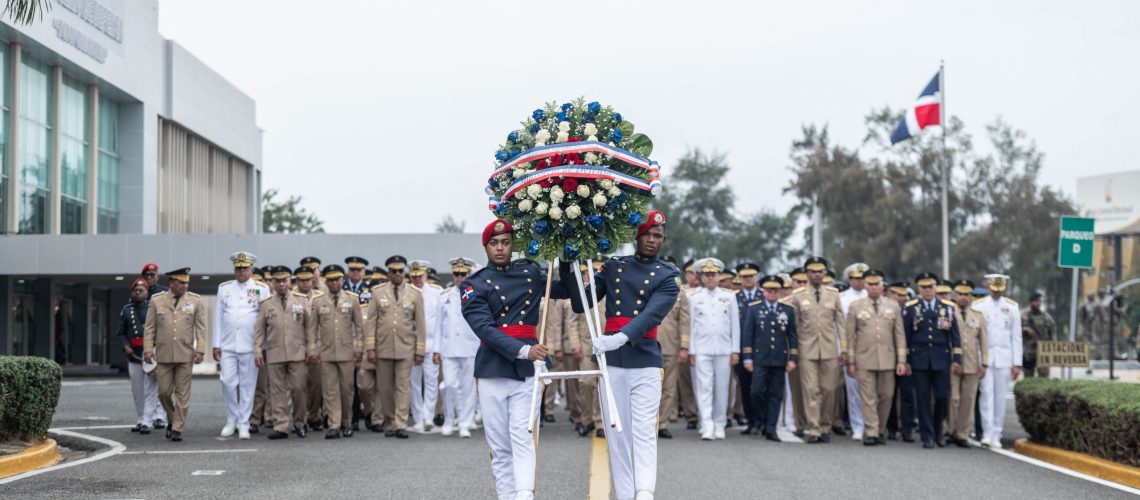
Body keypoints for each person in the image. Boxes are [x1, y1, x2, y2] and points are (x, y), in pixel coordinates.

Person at [561, 210, 678, 500]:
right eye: (648, 235)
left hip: (645, 360)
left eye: (658, 236)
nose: (652, 240)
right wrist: (566, 261)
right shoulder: (614, 267)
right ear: (637, 237)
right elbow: (581, 303)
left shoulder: (668, 276)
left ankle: (644, 492)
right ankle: (626, 494)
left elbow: (650, 316)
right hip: (612, 364)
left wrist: (618, 339)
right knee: (617, 434)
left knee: (642, 431)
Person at [461, 219, 568, 500]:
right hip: (494, 368)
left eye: (505, 242)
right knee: (499, 446)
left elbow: (565, 290)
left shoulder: (531, 272)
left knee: (522, 435)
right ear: (486, 247)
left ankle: (523, 495)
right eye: (494, 243)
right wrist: (523, 350)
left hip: (527, 370)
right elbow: (484, 328)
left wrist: (568, 251)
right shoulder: (475, 283)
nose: (500, 248)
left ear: (513, 245)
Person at [365, 255, 426, 439]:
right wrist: (370, 347)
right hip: (383, 348)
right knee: (385, 388)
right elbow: (371, 322)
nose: (398, 274)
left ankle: (401, 423)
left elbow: (421, 324)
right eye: (394, 271)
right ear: (388, 273)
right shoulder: (377, 292)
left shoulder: (415, 293)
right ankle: (390, 421)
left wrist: (420, 350)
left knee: (402, 387)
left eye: (401, 271)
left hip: (406, 347)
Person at [786, 257, 846, 444]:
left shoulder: (834, 294)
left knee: (829, 389)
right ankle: (814, 428)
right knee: (810, 390)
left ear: (825, 273)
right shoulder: (799, 296)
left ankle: (825, 425)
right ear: (807, 273)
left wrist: (844, 349)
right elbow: (793, 327)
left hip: (829, 349)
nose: (816, 274)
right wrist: (793, 352)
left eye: (820, 271)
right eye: (812, 271)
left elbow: (840, 325)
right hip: (807, 350)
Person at [143, 268, 206, 442]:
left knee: (182, 394)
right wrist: (148, 349)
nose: (185, 286)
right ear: (172, 283)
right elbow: (149, 328)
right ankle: (172, 419)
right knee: (163, 392)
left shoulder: (195, 301)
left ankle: (177, 427)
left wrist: (200, 350)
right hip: (163, 354)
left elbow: (201, 328)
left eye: (187, 282)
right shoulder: (157, 301)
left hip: (185, 354)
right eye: (182, 283)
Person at [254, 265, 317, 439]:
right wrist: (258, 350)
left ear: (290, 282)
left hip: (298, 352)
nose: (281, 284)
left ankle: (299, 422)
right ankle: (280, 425)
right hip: (275, 353)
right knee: (277, 391)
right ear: (272, 284)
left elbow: (310, 327)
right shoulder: (266, 304)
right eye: (277, 281)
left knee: (299, 389)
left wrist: (311, 349)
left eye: (284, 281)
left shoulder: (301, 300)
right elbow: (259, 330)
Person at [844, 270, 905, 446]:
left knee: (887, 395)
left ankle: (880, 429)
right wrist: (851, 361)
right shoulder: (856, 306)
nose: (873, 288)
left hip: (887, 358)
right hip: (864, 358)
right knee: (868, 396)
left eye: (876, 284)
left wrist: (901, 360)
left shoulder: (893, 306)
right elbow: (851, 336)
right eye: (870, 284)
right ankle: (871, 431)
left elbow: (899, 335)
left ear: (882, 285)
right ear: (865, 286)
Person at [213, 251, 270, 440]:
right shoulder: (225, 288)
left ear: (251, 269)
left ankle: (244, 423)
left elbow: (265, 320)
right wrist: (216, 344)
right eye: (238, 268)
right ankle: (232, 419)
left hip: (250, 345)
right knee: (227, 382)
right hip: (228, 344)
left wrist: (262, 346)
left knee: (248, 386)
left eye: (245, 268)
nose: (241, 272)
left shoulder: (261, 288)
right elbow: (218, 317)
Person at [903, 272, 961, 449]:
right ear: (918, 289)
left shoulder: (948, 307)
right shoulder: (911, 307)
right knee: (922, 399)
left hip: (941, 358)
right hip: (919, 359)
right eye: (923, 288)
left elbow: (955, 335)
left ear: (936, 288)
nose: (927, 291)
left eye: (930, 287)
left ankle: (938, 431)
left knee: (942, 396)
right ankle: (928, 436)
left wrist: (957, 358)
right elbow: (906, 336)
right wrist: (905, 360)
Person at [688, 257, 740, 441]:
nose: (710, 278)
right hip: (701, 349)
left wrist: (736, 350)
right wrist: (691, 350)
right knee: (704, 388)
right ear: (701, 277)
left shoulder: (729, 296)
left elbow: (735, 325)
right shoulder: (693, 297)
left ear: (719, 276)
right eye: (707, 275)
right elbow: (691, 326)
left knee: (722, 388)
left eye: (714, 275)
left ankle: (720, 424)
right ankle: (707, 423)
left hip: (724, 349)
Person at [310, 264, 364, 439]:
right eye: (330, 280)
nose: (334, 283)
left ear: (342, 280)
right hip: (326, 351)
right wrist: (313, 349)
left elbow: (359, 327)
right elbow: (312, 328)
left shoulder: (352, 299)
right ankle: (334, 424)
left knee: (347, 390)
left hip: (347, 351)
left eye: (337, 279)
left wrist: (358, 348)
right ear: (326, 281)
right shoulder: (318, 301)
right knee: (330, 390)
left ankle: (347, 422)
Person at [741, 274, 798, 442]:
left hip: (779, 359)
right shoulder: (754, 309)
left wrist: (793, 358)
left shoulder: (787, 310)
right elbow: (748, 335)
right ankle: (761, 419)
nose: (772, 293)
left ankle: (771, 427)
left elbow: (792, 336)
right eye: (769, 290)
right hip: (760, 359)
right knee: (756, 391)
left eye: (775, 290)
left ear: (779, 292)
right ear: (763, 291)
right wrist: (747, 358)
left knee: (776, 394)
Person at [972, 273, 1022, 448]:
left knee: (1000, 397)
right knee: (986, 395)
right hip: (984, 358)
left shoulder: (1012, 307)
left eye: (999, 290)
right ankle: (986, 433)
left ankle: (997, 434)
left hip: (1004, 359)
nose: (996, 293)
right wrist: (977, 361)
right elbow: (975, 335)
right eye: (993, 290)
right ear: (988, 287)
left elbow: (1016, 336)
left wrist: (1017, 363)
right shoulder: (978, 306)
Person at [438, 258, 480, 438]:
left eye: (463, 274)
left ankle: (465, 422)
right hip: (449, 348)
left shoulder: (476, 294)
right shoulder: (445, 296)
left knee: (469, 387)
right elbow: (438, 325)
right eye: (457, 274)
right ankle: (449, 419)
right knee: (449, 385)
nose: (460, 277)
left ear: (469, 274)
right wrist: (435, 350)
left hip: (470, 346)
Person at [118, 277, 165, 434]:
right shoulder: (126, 310)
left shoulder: (154, 309)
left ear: (147, 293)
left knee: (151, 389)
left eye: (141, 290)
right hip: (134, 355)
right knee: (137, 391)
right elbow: (121, 333)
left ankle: (150, 419)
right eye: (135, 290)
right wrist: (126, 347)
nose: (138, 292)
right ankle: (141, 418)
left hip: (150, 354)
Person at [949, 279, 988, 448]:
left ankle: (962, 434)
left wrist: (984, 363)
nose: (963, 298)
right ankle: (949, 430)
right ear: (955, 296)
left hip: (972, 364)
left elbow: (984, 341)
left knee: (968, 400)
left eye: (967, 294)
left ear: (971, 297)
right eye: (960, 294)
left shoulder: (978, 316)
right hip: (953, 363)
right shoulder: (949, 313)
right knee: (953, 399)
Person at [657, 255, 691, 439]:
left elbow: (685, 321)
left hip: (671, 346)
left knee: (669, 388)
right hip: (648, 344)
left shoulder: (681, 292)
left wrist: (684, 346)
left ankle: (662, 424)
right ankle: (647, 423)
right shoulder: (648, 286)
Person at [409, 260, 443, 432]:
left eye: (420, 276)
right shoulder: (406, 293)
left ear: (426, 274)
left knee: (431, 382)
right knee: (413, 384)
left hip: (431, 345)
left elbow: (439, 325)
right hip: (411, 346)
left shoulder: (436, 294)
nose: (417, 279)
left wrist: (438, 349)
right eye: (414, 276)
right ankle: (418, 418)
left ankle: (429, 417)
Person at [838, 262, 869, 441]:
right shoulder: (842, 298)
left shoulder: (873, 295)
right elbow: (840, 327)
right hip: (851, 348)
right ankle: (857, 425)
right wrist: (842, 350)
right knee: (853, 390)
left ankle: (871, 424)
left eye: (863, 278)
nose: (860, 282)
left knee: (872, 390)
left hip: (870, 349)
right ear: (849, 280)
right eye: (856, 278)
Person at [294, 266, 327, 431]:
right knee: (298, 385)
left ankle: (314, 415)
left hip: (317, 346)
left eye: (308, 280)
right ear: (296, 281)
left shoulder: (321, 296)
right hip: (297, 347)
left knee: (316, 384)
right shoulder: (290, 297)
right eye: (302, 280)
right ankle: (300, 417)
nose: (305, 283)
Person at [733, 262, 761, 435]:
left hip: (761, 350)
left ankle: (762, 420)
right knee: (745, 386)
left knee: (760, 388)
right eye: (744, 277)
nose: (748, 280)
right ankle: (751, 421)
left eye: (750, 276)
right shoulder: (734, 298)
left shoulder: (765, 296)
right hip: (741, 349)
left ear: (756, 277)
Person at [250, 265, 276, 431]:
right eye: (262, 280)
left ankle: (270, 416)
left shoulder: (276, 299)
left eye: (268, 280)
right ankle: (255, 418)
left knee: (272, 385)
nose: (266, 283)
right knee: (258, 385)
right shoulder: (255, 298)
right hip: (256, 346)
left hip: (272, 346)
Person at [1021, 292, 1056, 378]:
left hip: (1043, 351)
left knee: (1044, 377)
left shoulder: (1046, 317)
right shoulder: (1023, 316)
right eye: (1036, 301)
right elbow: (1015, 331)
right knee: (1028, 377)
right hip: (1029, 351)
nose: (1038, 303)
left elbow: (1053, 331)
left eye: (1039, 301)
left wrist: (1053, 347)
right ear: (1030, 302)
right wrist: (1025, 329)